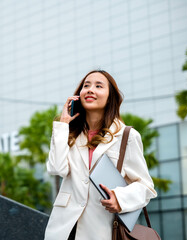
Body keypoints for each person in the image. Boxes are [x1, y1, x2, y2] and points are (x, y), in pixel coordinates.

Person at [44, 70, 157, 240]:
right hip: (64, 229)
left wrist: (120, 199)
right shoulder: (69, 133)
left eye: (98, 86)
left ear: (110, 97)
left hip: (101, 230)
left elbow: (146, 187)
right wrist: (63, 125)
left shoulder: (127, 136)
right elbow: (56, 169)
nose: (90, 89)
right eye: (86, 85)